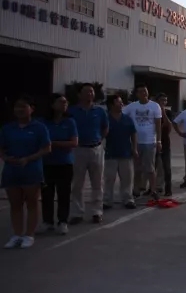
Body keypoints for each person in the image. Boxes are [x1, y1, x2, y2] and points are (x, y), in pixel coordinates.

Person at [1, 96, 51, 248]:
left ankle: (29, 234)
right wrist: (5, 158)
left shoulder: (39, 127)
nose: (20, 109)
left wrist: (28, 159)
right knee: (15, 204)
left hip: (31, 169)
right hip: (11, 170)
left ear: (32, 109)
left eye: (24, 106)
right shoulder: (7, 128)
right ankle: (17, 234)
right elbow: (1, 148)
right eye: (17, 106)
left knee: (32, 203)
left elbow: (46, 148)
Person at [68, 83, 109, 224]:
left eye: (91, 92)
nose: (90, 94)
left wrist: (99, 140)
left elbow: (105, 128)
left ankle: (97, 212)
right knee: (77, 183)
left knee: (97, 182)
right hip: (78, 149)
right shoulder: (72, 111)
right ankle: (77, 212)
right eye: (86, 92)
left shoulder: (100, 111)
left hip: (96, 149)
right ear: (79, 94)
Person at [40, 94, 78, 235]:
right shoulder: (43, 122)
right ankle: (47, 221)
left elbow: (74, 142)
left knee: (64, 193)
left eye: (66, 102)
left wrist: (53, 143)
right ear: (52, 104)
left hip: (65, 163)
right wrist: (61, 144)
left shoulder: (70, 122)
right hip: (46, 163)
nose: (64, 104)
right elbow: (41, 142)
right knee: (47, 194)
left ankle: (63, 221)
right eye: (61, 102)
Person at [123, 84, 162, 200]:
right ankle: (136, 189)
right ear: (137, 94)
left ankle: (153, 190)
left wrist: (159, 140)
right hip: (136, 142)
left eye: (145, 91)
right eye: (140, 91)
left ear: (147, 92)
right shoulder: (132, 106)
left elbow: (158, 125)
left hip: (150, 142)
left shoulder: (155, 106)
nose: (143, 93)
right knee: (137, 168)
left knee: (150, 168)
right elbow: (121, 115)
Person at [103, 94, 138, 210]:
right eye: (119, 102)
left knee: (127, 179)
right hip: (110, 154)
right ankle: (107, 200)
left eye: (122, 102)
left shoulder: (127, 119)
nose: (122, 104)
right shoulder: (106, 118)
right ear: (111, 105)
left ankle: (128, 199)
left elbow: (133, 133)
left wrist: (134, 148)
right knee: (109, 179)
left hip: (126, 153)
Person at [155, 93, 174, 196]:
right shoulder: (153, 112)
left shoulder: (168, 112)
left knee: (167, 167)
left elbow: (169, 125)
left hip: (165, 143)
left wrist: (162, 111)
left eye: (165, 100)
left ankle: (168, 189)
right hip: (153, 142)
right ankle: (153, 188)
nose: (163, 102)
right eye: (162, 100)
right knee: (153, 167)